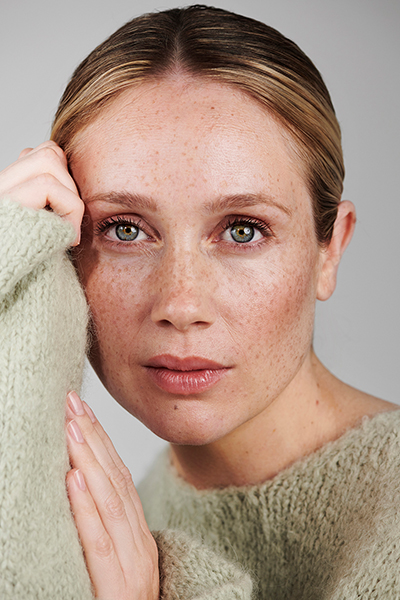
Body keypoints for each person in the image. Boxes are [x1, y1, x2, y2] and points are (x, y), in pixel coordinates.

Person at [1, 5, 399, 599]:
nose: (181, 303)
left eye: (243, 230)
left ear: (329, 251)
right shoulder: (109, 518)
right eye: (125, 230)